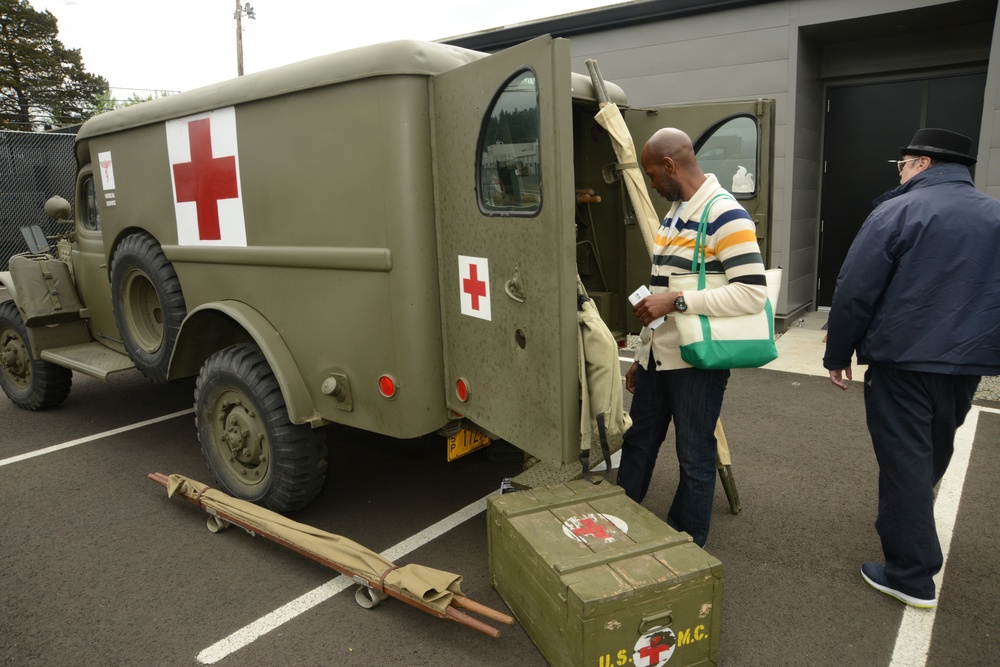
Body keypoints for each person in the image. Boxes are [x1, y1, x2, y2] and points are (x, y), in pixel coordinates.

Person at [824, 127, 1000, 609]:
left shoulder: (899, 210)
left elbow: (854, 288)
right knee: (932, 448)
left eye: (900, 164)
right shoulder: (994, 214)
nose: (898, 173)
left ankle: (911, 574)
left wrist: (838, 354)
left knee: (904, 460)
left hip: (903, 360)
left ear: (921, 163)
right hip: (967, 363)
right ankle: (912, 523)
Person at [617, 128, 767, 547]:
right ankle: (614, 523)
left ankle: (686, 544)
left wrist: (677, 301)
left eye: (652, 175)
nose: (651, 183)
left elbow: (752, 293)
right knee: (639, 441)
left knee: (695, 457)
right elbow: (659, 292)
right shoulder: (676, 211)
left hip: (695, 364)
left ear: (670, 166)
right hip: (657, 359)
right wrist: (640, 355)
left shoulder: (727, 214)